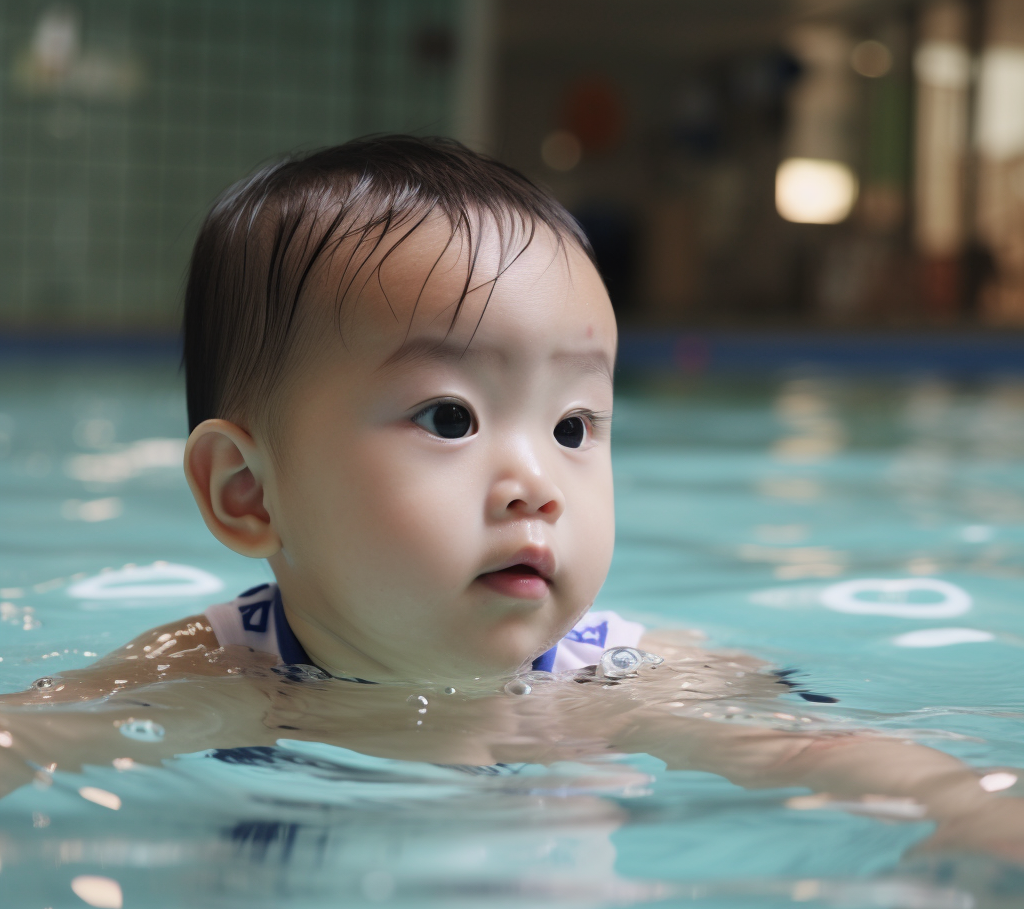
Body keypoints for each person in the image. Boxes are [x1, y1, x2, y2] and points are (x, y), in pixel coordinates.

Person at [0, 136, 1021, 864]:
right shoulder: (221, 668)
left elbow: (823, 753)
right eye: (449, 417)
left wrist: (961, 809)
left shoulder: (609, 677)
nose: (536, 482)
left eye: (574, 427)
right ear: (248, 492)